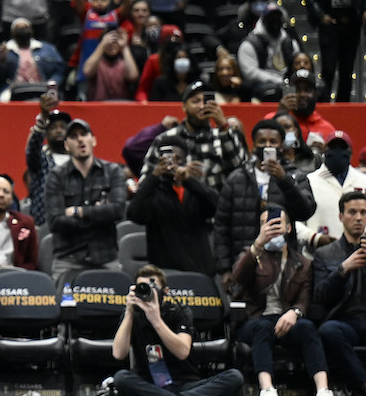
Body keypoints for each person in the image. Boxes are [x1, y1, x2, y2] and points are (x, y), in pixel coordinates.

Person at [234, 209, 338, 396]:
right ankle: (267, 390)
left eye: (277, 223)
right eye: (266, 224)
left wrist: (295, 312)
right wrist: (258, 244)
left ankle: (323, 391)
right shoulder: (251, 254)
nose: (272, 228)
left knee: (308, 328)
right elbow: (238, 279)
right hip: (255, 320)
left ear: (289, 228)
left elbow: (305, 298)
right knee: (263, 327)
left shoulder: (302, 262)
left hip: (287, 320)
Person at [110, 264, 243, 396]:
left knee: (234, 377)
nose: (147, 293)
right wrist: (128, 312)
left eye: (152, 288)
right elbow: (118, 353)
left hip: (185, 384)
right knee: (121, 378)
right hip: (149, 385)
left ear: (165, 292)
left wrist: (156, 320)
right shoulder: (133, 314)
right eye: (142, 287)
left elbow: (182, 352)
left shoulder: (179, 311)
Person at [214, 119, 316, 290]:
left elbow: (306, 211)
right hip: (243, 261)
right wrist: (224, 269)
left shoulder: (295, 176)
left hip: (283, 263)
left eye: (273, 142)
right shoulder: (236, 178)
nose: (267, 145)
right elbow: (221, 226)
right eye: (262, 141)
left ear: (281, 145)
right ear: (254, 144)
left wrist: (283, 179)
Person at [46, 119, 127, 289]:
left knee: (114, 311)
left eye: (84, 134)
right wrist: (99, 215)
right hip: (69, 259)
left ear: (93, 140)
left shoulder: (112, 172)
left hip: (106, 257)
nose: (80, 140)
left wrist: (79, 211)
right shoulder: (56, 176)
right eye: (74, 137)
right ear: (67, 145)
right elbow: (55, 221)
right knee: (64, 312)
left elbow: (118, 210)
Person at [127, 142, 218, 276]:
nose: (172, 163)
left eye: (178, 159)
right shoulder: (153, 193)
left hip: (201, 271)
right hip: (166, 273)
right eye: (167, 159)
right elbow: (134, 214)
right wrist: (154, 177)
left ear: (185, 162)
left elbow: (218, 206)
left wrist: (189, 180)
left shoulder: (194, 190)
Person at [140, 81, 248, 192]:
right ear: (184, 107)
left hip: (214, 206)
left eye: (205, 101)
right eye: (195, 101)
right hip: (175, 205)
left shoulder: (223, 137)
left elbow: (241, 172)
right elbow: (144, 184)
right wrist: (179, 175)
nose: (201, 106)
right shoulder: (166, 139)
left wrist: (223, 125)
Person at [313, 191, 366, 396]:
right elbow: (320, 297)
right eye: (352, 212)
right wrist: (342, 269)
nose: (359, 217)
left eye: (363, 212)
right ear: (341, 216)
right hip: (346, 321)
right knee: (329, 330)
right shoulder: (325, 253)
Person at [297, 131, 366, 256]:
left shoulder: (363, 180)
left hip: (360, 255)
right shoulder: (309, 181)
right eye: (333, 148)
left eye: (342, 148)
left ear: (350, 152)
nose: (338, 152)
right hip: (318, 257)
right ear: (324, 151)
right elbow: (295, 222)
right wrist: (314, 238)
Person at [237, 4, 303, 101]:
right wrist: (278, 81)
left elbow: (298, 62)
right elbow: (250, 73)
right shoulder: (250, 44)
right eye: (271, 18)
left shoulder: (289, 42)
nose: (275, 22)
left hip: (288, 82)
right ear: (263, 20)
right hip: (261, 86)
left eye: (277, 18)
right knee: (271, 91)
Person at [24, 98, 72, 227]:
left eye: (63, 127)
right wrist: (43, 117)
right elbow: (32, 149)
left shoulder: (79, 162)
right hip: (44, 225)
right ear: (46, 133)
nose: (58, 131)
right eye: (53, 128)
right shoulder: (41, 160)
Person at [0, 17, 65, 99]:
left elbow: (59, 70)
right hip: (14, 90)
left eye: (25, 28)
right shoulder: (5, 50)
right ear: (13, 33)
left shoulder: (48, 49)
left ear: (31, 31)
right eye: (19, 28)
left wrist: (52, 83)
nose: (23, 31)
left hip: (43, 87)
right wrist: (2, 61)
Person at [0, 175, 39, 273]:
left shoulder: (26, 222)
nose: (1, 195)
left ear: (11, 199)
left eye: (6, 192)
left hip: (16, 277)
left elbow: (32, 262)